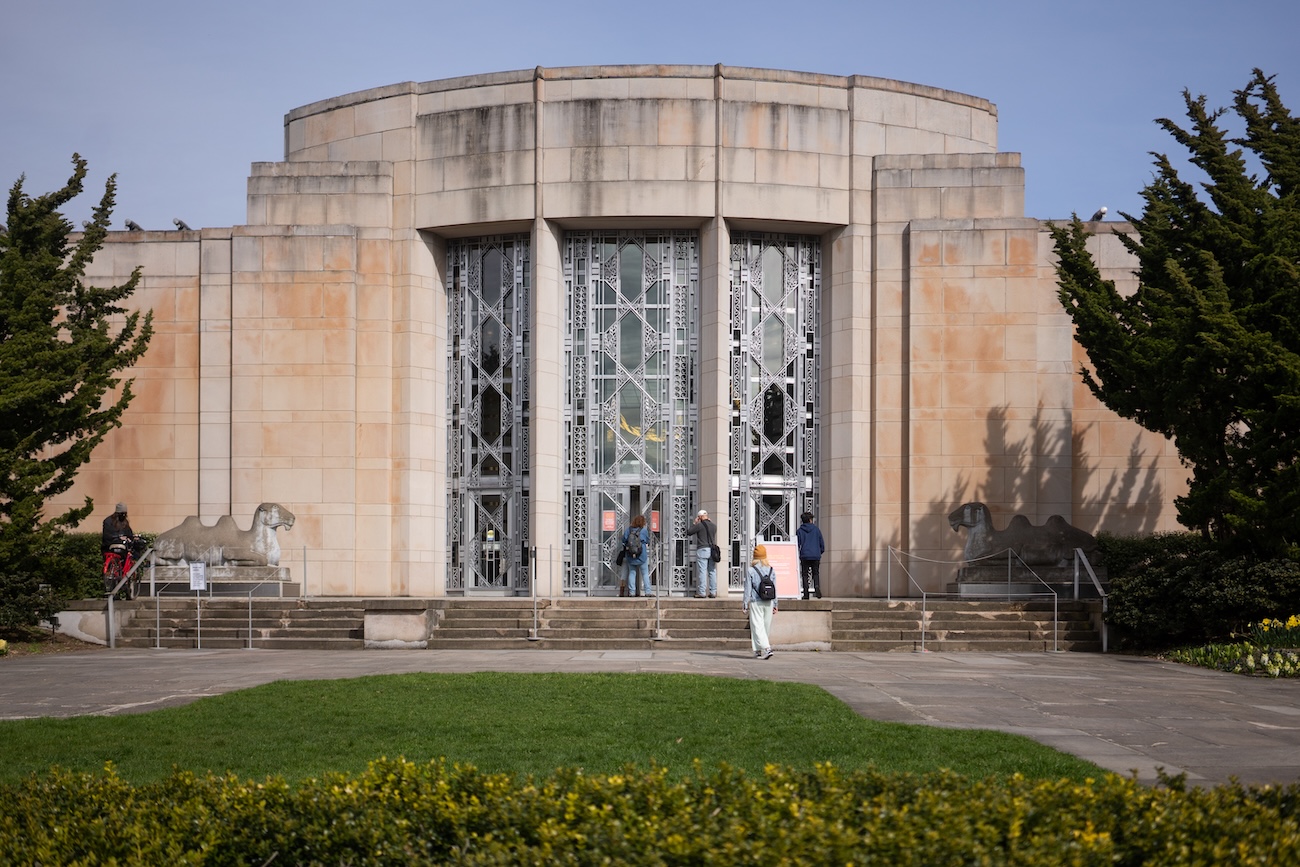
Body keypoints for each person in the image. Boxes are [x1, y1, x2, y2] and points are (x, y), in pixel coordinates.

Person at [743, 544, 778, 659]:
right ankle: (757, 650)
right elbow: (775, 588)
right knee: (765, 626)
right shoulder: (771, 570)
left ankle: (767, 649)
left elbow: (748, 588)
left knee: (757, 626)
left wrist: (745, 604)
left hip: (756, 601)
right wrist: (776, 604)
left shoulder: (751, 570)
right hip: (769, 601)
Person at [685, 508, 719, 597]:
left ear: (699, 517)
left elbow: (689, 532)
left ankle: (702, 592)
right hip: (712, 550)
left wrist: (694, 523)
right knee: (712, 571)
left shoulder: (699, 525)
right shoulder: (714, 526)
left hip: (702, 549)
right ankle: (713, 592)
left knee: (702, 571)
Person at [796, 511, 825, 599]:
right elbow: (821, 543)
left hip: (805, 555)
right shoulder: (816, 530)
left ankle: (806, 593)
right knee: (815, 573)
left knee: (805, 574)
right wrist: (820, 552)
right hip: (815, 555)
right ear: (810, 520)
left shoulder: (800, 531)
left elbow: (797, 543)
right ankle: (816, 586)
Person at [621, 514, 651, 597]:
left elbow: (623, 540)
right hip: (642, 556)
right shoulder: (644, 531)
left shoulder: (628, 530)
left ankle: (632, 592)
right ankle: (647, 591)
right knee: (645, 573)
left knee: (632, 572)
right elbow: (648, 540)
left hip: (630, 555)